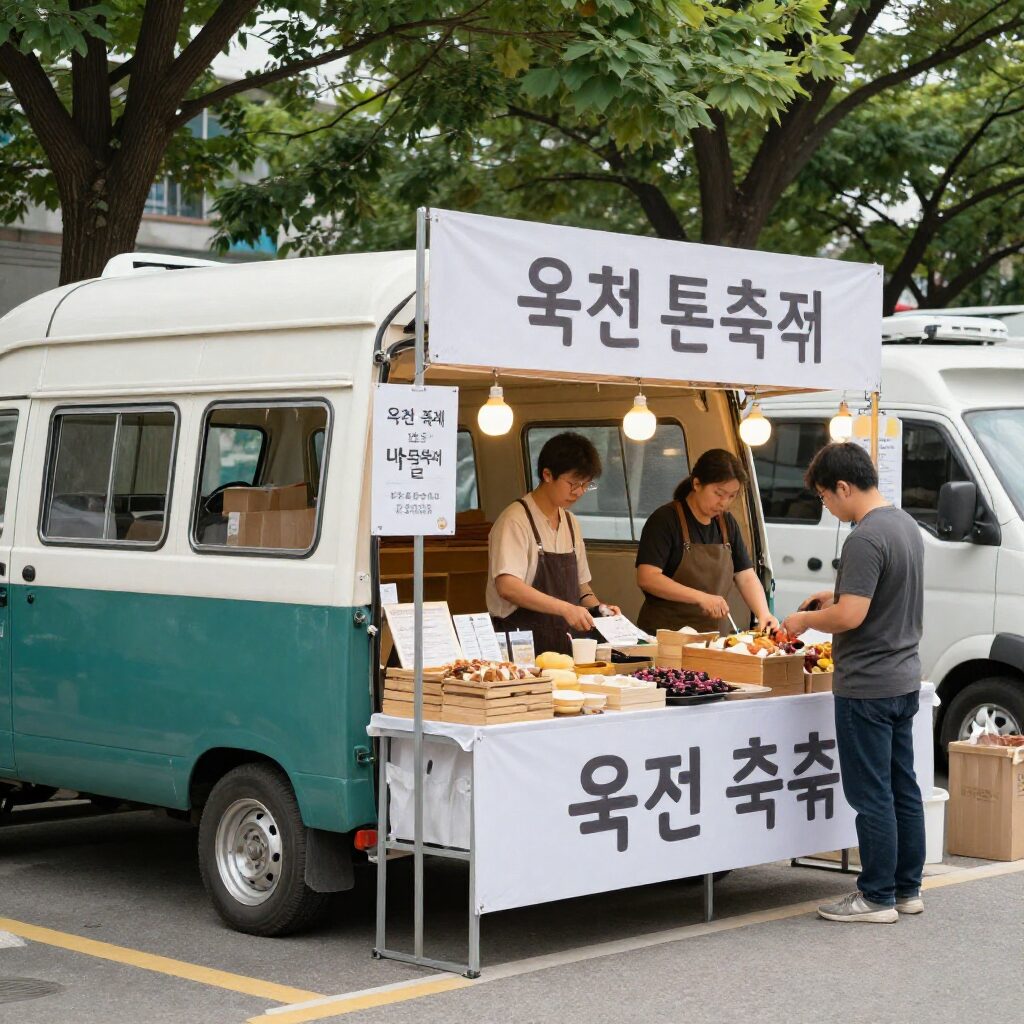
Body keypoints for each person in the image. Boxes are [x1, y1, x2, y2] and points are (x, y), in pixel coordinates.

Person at [782, 442, 925, 925]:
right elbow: (879, 594)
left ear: (843, 487)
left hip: (867, 685)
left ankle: (875, 896)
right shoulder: (904, 524)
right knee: (903, 787)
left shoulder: (864, 538)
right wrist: (834, 593)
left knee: (871, 795)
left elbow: (852, 615)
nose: (828, 507)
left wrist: (804, 620)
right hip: (904, 678)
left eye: (825, 497)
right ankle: (907, 889)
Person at [487, 431, 620, 655]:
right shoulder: (514, 521)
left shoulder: (570, 522)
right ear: (547, 475)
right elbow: (508, 587)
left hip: (563, 644)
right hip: (521, 646)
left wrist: (599, 610)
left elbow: (581, 586)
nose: (579, 492)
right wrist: (566, 609)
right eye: (573, 483)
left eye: (586, 485)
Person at [634, 448, 777, 636]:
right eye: (719, 493)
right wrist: (700, 598)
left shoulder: (727, 523)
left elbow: (746, 575)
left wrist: (763, 613)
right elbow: (648, 577)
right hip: (666, 637)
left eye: (732, 495)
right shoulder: (665, 519)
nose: (724, 503)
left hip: (714, 638)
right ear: (697, 483)